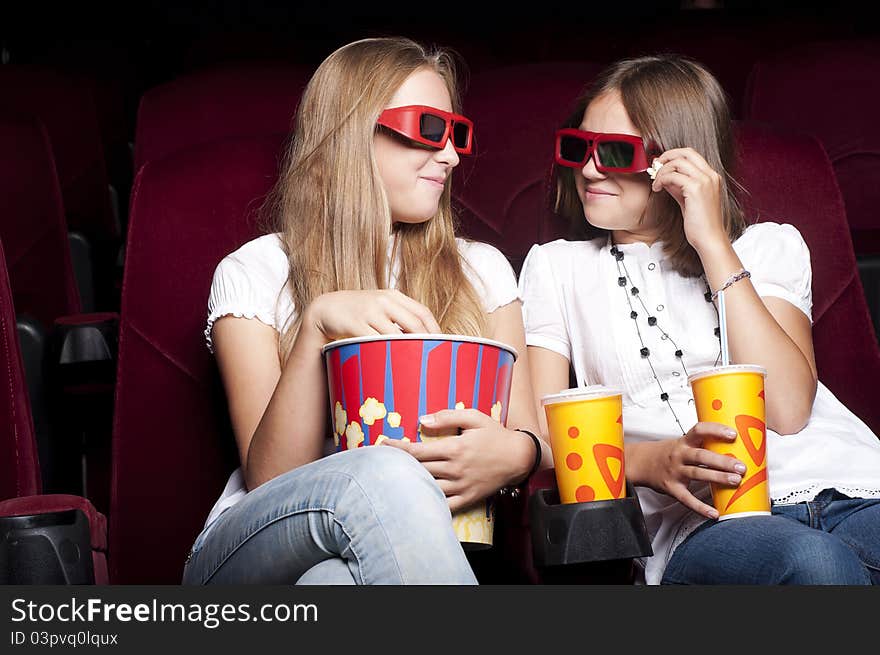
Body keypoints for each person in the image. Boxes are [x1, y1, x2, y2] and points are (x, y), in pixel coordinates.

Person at [182, 37, 549, 585]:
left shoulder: (482, 269)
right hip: (250, 551)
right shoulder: (256, 270)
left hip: (402, 556)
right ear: (353, 132)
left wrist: (516, 456)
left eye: (457, 134)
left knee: (330, 584)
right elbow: (271, 480)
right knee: (385, 470)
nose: (450, 155)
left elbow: (533, 436)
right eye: (429, 129)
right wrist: (316, 327)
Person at [519, 54, 880, 585]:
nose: (589, 169)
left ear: (677, 164)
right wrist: (648, 463)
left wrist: (711, 243)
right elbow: (543, 438)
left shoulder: (767, 245)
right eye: (578, 147)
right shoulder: (555, 267)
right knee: (818, 565)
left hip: (851, 487)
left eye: (615, 153)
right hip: (708, 522)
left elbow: (786, 410)